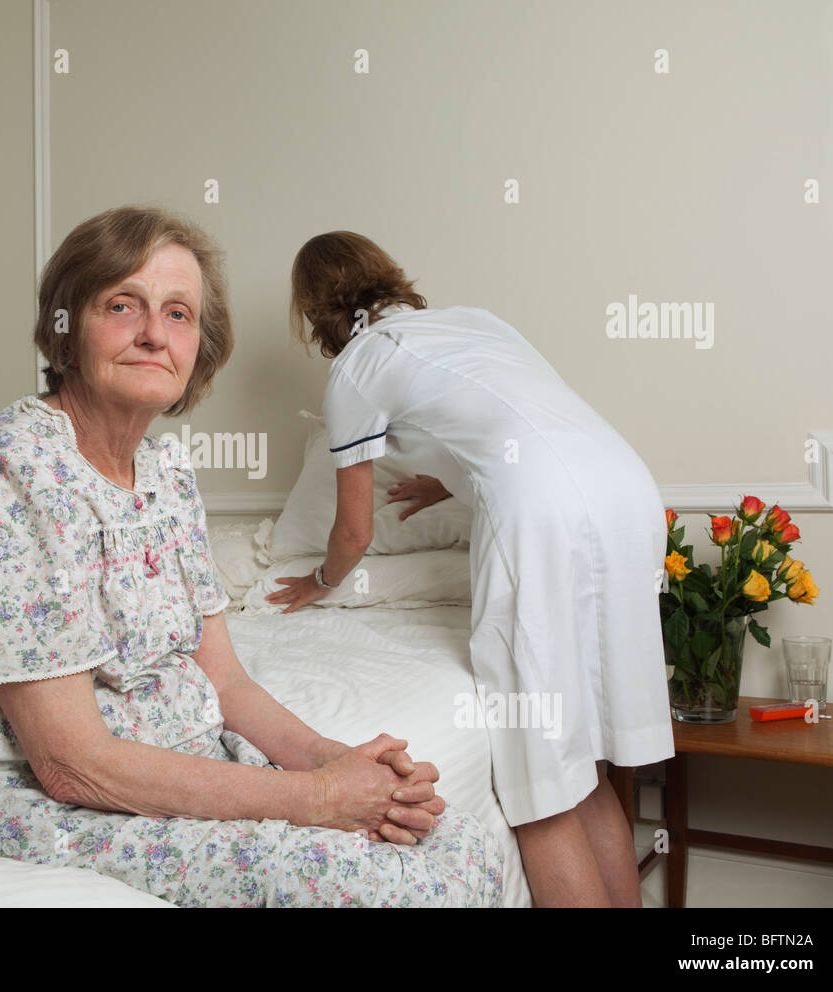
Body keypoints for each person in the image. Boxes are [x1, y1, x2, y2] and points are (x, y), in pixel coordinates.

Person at [0, 206, 503, 907]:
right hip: (10, 782)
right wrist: (315, 797)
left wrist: (337, 761)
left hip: (170, 752)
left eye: (177, 314)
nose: (152, 334)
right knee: (385, 889)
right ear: (66, 328)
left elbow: (224, 682)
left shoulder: (167, 475)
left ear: (200, 346)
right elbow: (72, 764)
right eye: (121, 305)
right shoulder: (9, 473)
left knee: (456, 845)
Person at [267, 230, 674, 907]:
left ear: (315, 310)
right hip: (628, 492)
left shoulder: (359, 367)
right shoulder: (473, 324)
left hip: (542, 515)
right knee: (583, 765)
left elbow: (353, 530)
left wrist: (321, 582)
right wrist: (451, 480)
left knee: (540, 782)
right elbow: (532, 426)